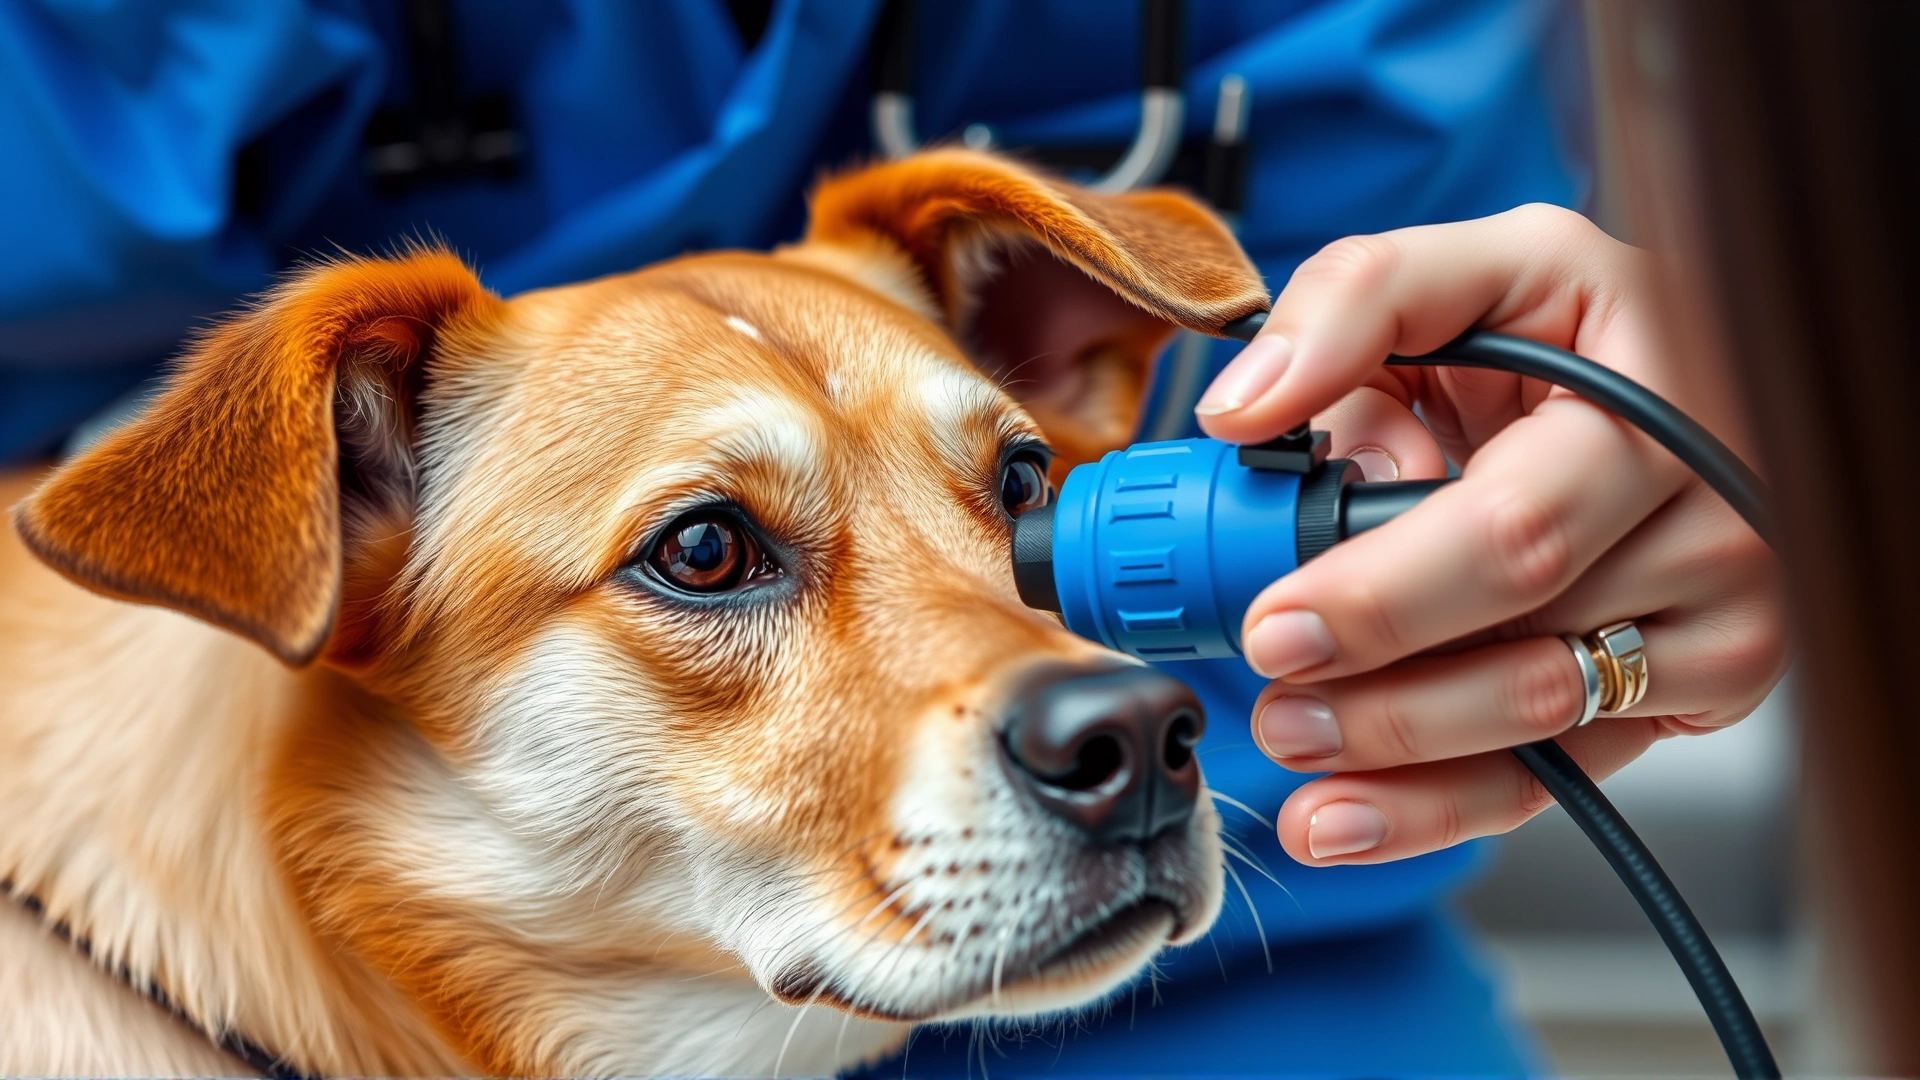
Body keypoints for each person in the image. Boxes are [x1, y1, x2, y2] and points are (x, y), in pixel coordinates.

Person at [0, 1, 1783, 1074]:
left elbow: (1432, 354)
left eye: (1011, 488)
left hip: (1243, 964)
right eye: (709, 556)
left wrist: (1692, 481)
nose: (1086, 699)